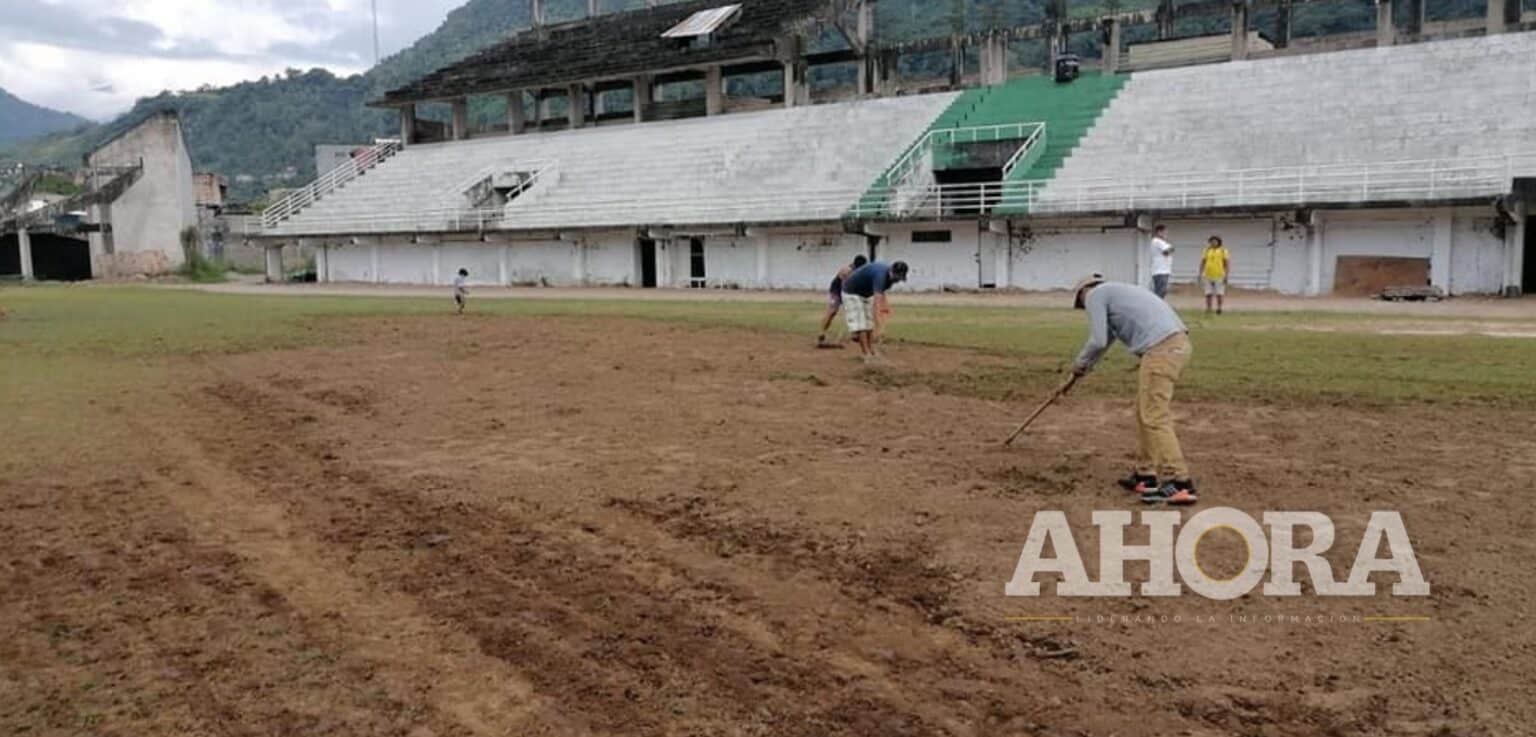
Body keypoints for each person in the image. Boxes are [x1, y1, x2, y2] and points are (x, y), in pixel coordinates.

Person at [1068, 274, 1197, 505]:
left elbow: (1097, 340)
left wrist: (1079, 364)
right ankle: (1145, 475)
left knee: (1155, 416)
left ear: (1084, 290)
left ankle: (1180, 482)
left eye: (1081, 302)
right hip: (1171, 346)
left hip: (1162, 349)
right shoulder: (1118, 292)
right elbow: (1105, 340)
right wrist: (1084, 367)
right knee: (1144, 412)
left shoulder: (1096, 294)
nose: (1085, 306)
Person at [841, 260, 909, 362]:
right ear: (892, 271)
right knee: (861, 324)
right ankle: (866, 355)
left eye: (900, 278)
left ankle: (871, 350)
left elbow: (881, 295)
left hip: (865, 294)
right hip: (852, 292)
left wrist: (885, 308)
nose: (897, 281)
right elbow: (876, 305)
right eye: (897, 277)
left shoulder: (889, 279)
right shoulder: (880, 276)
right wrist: (880, 327)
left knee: (869, 324)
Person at [817, 254, 868, 347]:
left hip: (849, 291)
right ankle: (821, 333)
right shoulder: (846, 271)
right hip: (836, 291)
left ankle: (855, 334)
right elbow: (844, 286)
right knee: (832, 312)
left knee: (854, 313)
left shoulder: (861, 271)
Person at [1198, 236, 1231, 314]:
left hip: (1219, 275)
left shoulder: (1223, 251)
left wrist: (1226, 275)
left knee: (1219, 293)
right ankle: (1208, 308)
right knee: (1208, 293)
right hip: (1208, 275)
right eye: (1211, 241)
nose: (1213, 243)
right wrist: (1200, 273)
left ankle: (1219, 308)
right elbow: (1203, 262)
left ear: (1218, 242)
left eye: (1215, 241)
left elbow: (1227, 264)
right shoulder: (1206, 250)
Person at [1149, 224, 1174, 299]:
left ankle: (1158, 306)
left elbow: (1170, 249)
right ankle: (1156, 307)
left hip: (1164, 270)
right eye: (1164, 232)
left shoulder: (1162, 242)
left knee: (1162, 291)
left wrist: (1170, 248)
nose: (1166, 234)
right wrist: (1171, 248)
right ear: (1159, 232)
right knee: (1160, 291)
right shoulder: (1157, 241)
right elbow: (1167, 251)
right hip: (1160, 271)